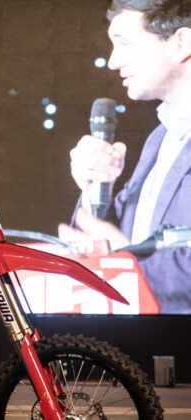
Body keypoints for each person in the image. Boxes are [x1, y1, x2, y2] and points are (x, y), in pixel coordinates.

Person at [59, 0, 191, 314]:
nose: (113, 62)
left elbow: (125, 249)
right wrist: (95, 191)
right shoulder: (161, 138)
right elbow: (124, 234)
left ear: (182, 43)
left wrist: (124, 260)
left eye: (124, 43)